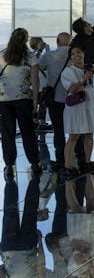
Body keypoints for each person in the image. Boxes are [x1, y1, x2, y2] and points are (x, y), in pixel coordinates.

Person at [0, 28, 42, 178]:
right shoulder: (30, 56)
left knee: (7, 134)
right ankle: (35, 163)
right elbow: (35, 81)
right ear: (25, 40)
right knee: (28, 132)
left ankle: (9, 166)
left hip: (4, 100)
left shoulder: (2, 55)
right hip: (24, 99)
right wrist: (36, 102)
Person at [60, 45, 94, 179]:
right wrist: (83, 79)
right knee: (74, 136)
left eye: (78, 52)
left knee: (89, 135)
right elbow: (71, 89)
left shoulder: (92, 68)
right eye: (73, 54)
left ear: (84, 53)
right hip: (76, 108)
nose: (76, 56)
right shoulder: (67, 72)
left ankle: (87, 161)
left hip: (91, 104)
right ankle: (68, 165)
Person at [37, 32, 72, 171]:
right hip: (72, 98)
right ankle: (77, 156)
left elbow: (39, 66)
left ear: (57, 41)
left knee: (58, 130)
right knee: (75, 130)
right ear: (70, 42)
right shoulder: (74, 55)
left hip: (55, 98)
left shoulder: (49, 56)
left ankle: (60, 159)